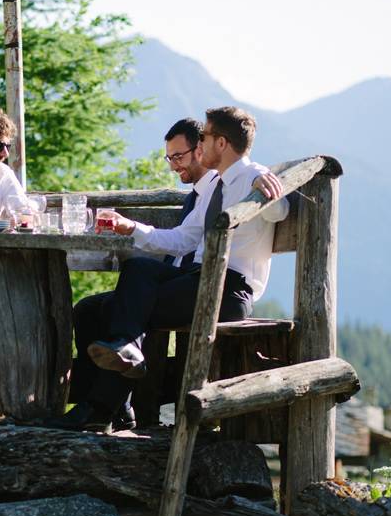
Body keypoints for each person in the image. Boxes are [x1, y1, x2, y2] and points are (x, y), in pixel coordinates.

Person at [48, 107, 287, 431]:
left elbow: (279, 211)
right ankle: (121, 361)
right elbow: (182, 239)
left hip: (230, 289)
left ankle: (102, 407)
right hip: (199, 278)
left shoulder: (251, 176)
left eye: (203, 136)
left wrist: (270, 186)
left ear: (221, 142)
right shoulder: (215, 186)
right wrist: (130, 227)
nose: (200, 143)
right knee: (137, 271)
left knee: (128, 306)